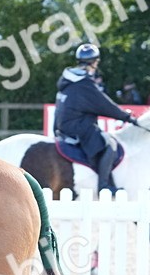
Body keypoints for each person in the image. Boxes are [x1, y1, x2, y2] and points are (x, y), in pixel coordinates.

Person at [54, 43, 138, 195]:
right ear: (94, 62)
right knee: (110, 145)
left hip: (63, 126)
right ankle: (103, 186)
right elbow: (104, 104)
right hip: (77, 127)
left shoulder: (68, 79)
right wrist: (127, 117)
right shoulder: (84, 83)